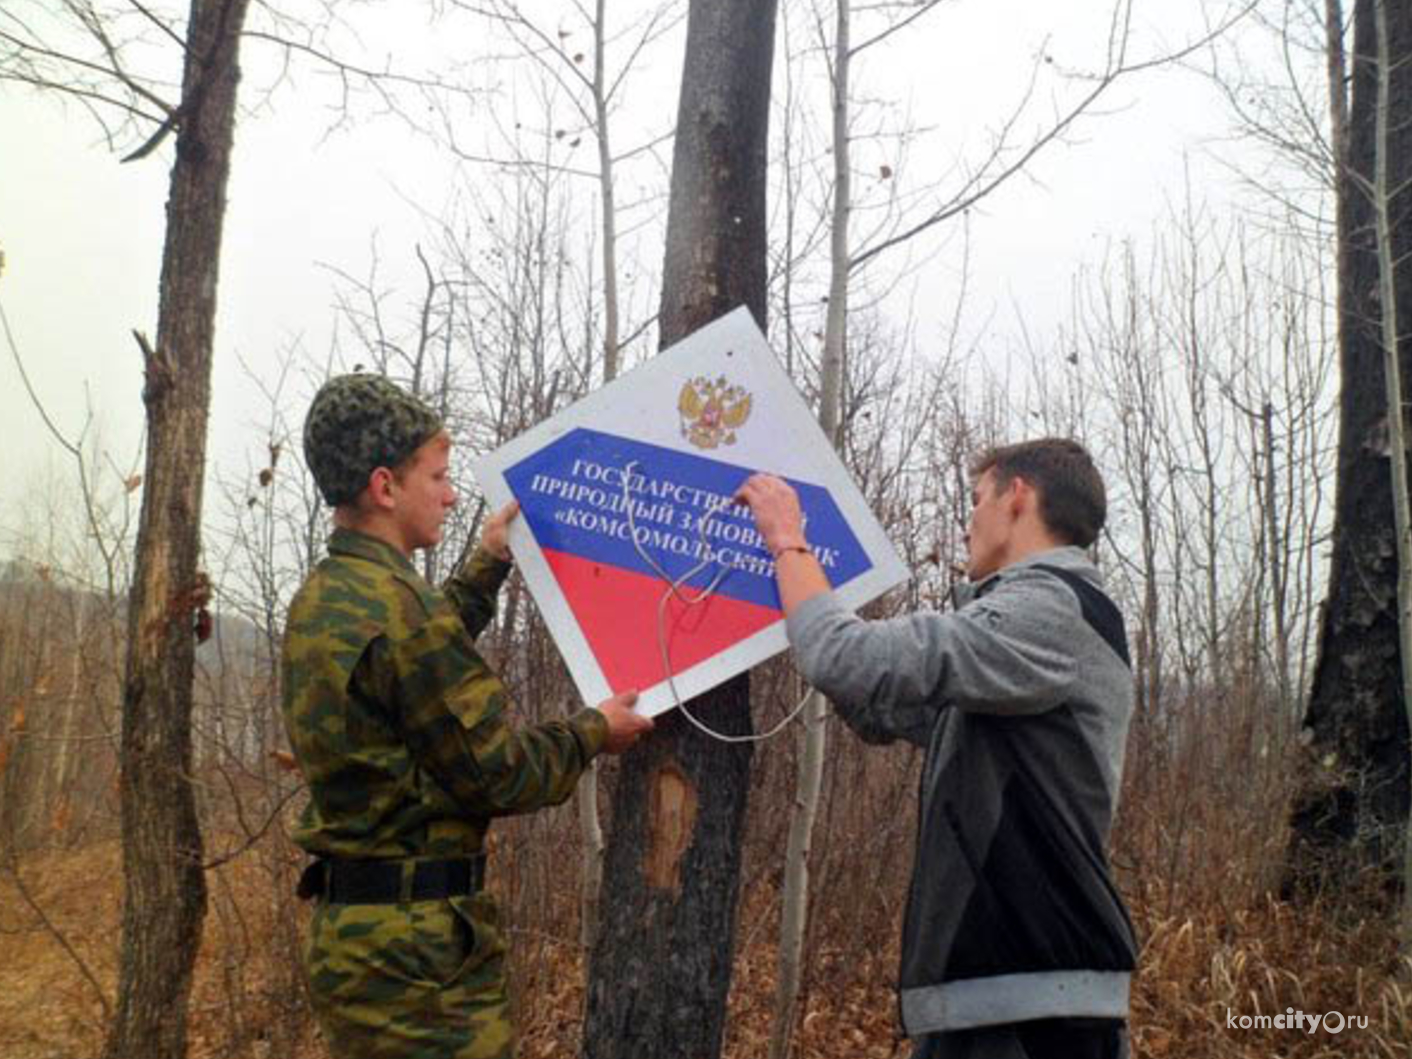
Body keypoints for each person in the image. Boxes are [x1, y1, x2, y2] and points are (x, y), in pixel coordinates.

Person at [282, 373, 653, 1059]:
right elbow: (497, 773)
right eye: (439, 475)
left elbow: (415, 666)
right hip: (420, 964)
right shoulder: (401, 610)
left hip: (354, 945)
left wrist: (487, 564)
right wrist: (593, 730)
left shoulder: (322, 598)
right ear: (385, 486)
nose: (451, 494)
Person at [737, 438, 1136, 1059]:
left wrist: (788, 541)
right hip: (997, 995)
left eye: (976, 500)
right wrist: (808, 609)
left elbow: (847, 658)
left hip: (1036, 1006)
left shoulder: (1051, 610)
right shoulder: (1021, 632)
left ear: (1018, 497)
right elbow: (879, 704)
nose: (968, 521)